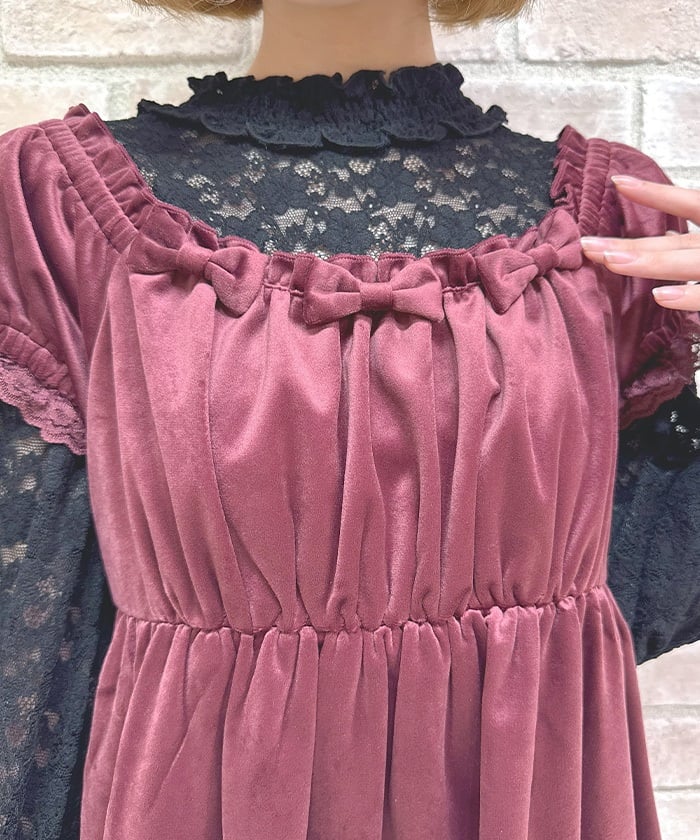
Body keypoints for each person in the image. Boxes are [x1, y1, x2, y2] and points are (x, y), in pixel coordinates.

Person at [0, 0, 699, 838]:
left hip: (528, 793)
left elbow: (641, 586)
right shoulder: (54, 207)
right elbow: (36, 619)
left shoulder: (616, 222)